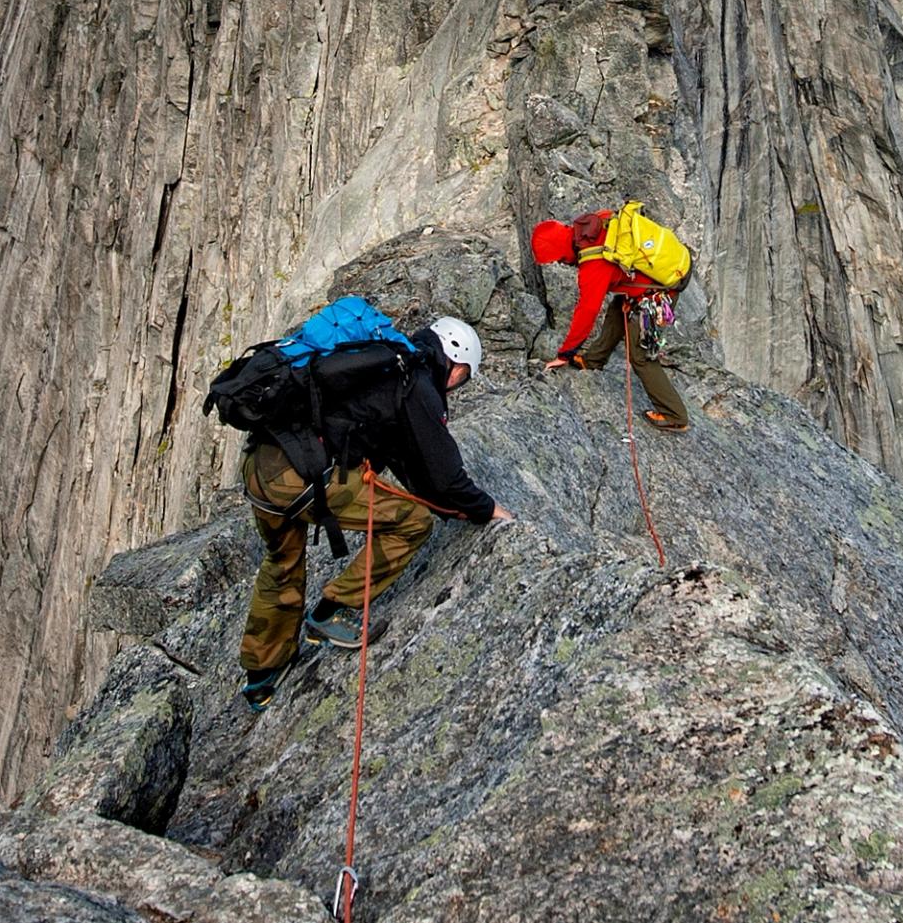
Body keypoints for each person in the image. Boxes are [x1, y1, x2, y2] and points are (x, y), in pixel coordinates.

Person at [237, 313, 503, 707]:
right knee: (412, 523)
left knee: (282, 561)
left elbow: (408, 463)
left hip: (262, 463)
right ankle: (333, 610)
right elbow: (443, 476)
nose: (458, 385)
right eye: (463, 375)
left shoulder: (384, 361)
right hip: (303, 476)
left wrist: (452, 507)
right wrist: (486, 510)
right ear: (455, 359)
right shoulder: (415, 382)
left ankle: (261, 676)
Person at [534, 210, 690, 432]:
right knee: (618, 308)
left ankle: (674, 415)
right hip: (671, 265)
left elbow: (586, 312)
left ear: (560, 249)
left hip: (662, 291)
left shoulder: (593, 265)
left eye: (559, 258)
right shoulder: (595, 225)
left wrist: (565, 354)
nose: (562, 263)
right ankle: (593, 360)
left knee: (641, 356)